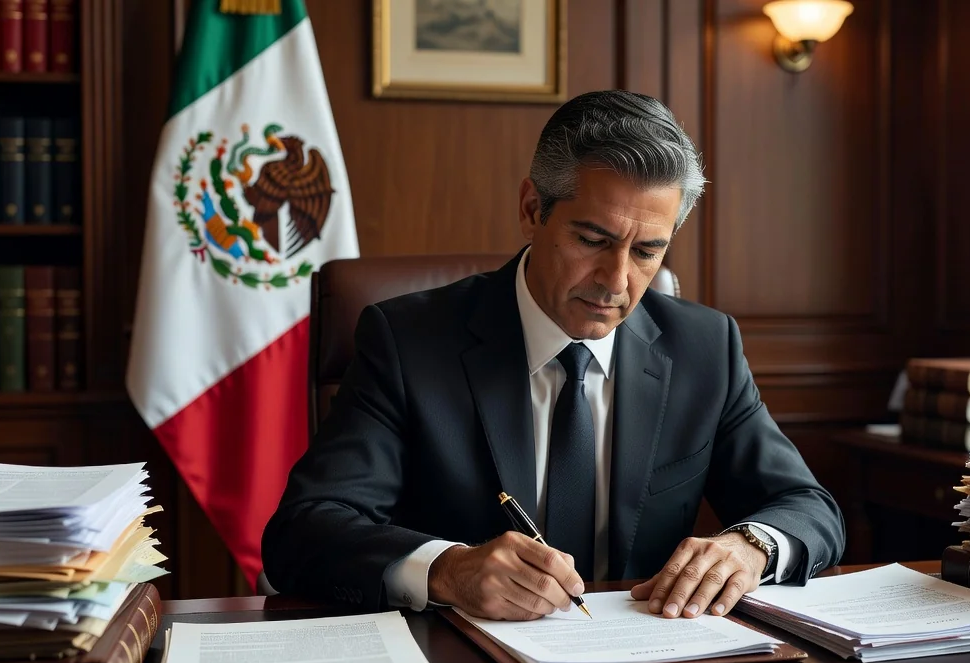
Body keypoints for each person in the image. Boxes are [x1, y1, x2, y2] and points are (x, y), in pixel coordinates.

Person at [262, 90, 844, 621]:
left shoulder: (705, 348)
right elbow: (304, 531)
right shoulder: (408, 340)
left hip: (650, 661)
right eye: (592, 240)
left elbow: (806, 506)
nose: (616, 280)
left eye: (647, 252)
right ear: (531, 209)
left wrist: (750, 545)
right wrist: (447, 569)